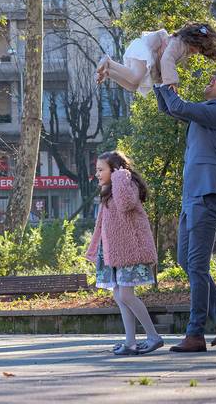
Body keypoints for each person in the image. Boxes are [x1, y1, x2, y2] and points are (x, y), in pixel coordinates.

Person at [154, 69, 216, 352]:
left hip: (206, 193)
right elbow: (171, 108)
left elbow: (180, 107)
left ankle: (195, 334)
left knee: (196, 264)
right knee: (186, 260)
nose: (213, 77)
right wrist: (159, 81)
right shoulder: (208, 111)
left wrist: (166, 79)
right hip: (193, 194)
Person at [85, 151, 163, 355]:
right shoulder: (109, 191)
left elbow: (125, 204)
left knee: (127, 295)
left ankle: (153, 336)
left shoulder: (127, 185)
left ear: (115, 170)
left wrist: (120, 176)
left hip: (131, 250)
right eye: (96, 170)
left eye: (101, 170)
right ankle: (130, 343)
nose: (97, 174)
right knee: (119, 296)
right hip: (114, 253)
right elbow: (102, 224)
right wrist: (96, 250)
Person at [97, 22, 216, 95]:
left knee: (133, 86)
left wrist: (161, 80)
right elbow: (167, 59)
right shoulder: (179, 43)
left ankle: (109, 73)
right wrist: (171, 82)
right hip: (145, 50)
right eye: (198, 49)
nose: (196, 53)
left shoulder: (182, 48)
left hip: (148, 56)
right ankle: (109, 62)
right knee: (135, 77)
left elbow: (165, 65)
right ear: (194, 41)